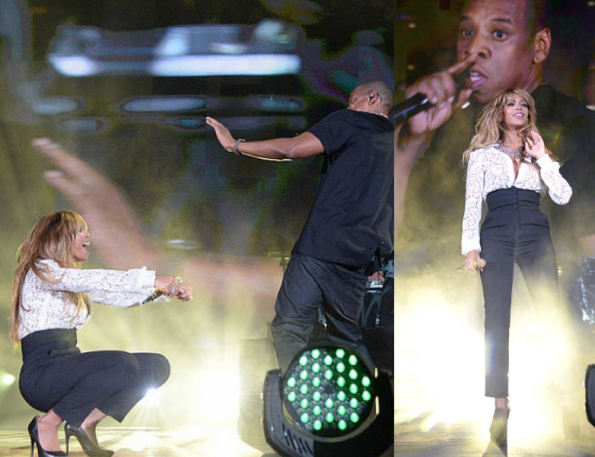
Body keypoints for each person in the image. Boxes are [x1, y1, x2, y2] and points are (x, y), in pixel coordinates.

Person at [206, 80, 394, 372]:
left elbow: (292, 149)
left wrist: (236, 145)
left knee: (290, 328)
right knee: (347, 339)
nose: (348, 105)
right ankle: (368, 412)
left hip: (321, 247)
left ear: (371, 98)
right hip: (360, 256)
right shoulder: (395, 141)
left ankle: (305, 403)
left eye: (352, 99)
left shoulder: (351, 121)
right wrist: (378, 259)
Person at [396, 0, 595, 260]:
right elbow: (399, 235)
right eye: (467, 32)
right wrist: (411, 140)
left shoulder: (577, 127)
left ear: (539, 46)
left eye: (499, 33)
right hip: (448, 295)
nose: (473, 50)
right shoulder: (454, 126)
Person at [10, 211, 193, 457]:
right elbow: (96, 278)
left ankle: (85, 422)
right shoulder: (42, 270)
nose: (88, 236)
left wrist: (165, 291)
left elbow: (117, 295)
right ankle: (46, 424)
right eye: (80, 231)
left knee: (155, 366)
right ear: (60, 237)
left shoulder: (70, 282)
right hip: (42, 378)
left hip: (68, 371)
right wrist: (150, 279)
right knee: (122, 363)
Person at [461, 88, 572, 446]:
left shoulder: (540, 154)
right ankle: (500, 405)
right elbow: (472, 206)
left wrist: (543, 158)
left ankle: (563, 391)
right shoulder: (481, 156)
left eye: (525, 104)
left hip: (535, 232)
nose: (519, 108)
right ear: (499, 111)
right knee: (496, 317)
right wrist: (470, 248)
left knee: (550, 310)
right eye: (512, 103)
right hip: (497, 231)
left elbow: (564, 196)